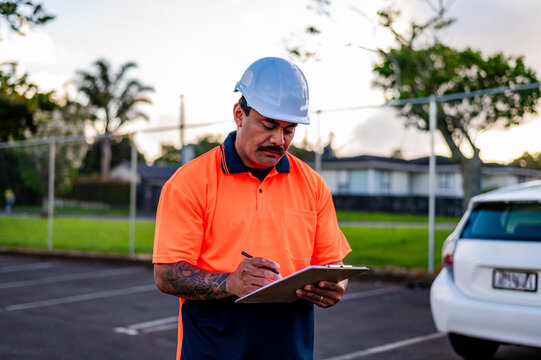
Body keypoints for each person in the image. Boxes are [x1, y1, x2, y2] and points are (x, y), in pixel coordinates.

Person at [153, 57, 352, 360]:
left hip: (290, 348)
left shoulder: (312, 185)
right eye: (268, 125)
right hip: (210, 349)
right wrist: (231, 282)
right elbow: (166, 275)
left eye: (289, 129)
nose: (278, 139)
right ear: (239, 114)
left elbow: (332, 265)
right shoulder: (189, 182)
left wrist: (334, 287)